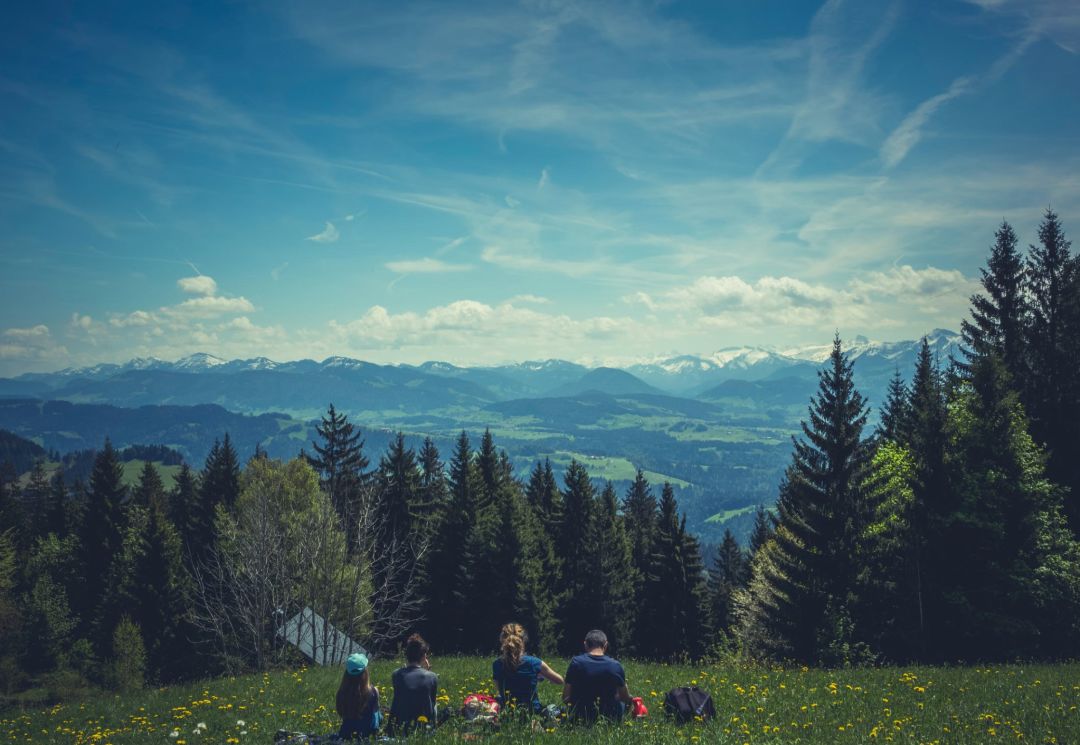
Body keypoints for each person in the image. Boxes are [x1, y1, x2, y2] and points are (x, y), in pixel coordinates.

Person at [491, 622, 565, 716]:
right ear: (523, 641)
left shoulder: (496, 664)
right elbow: (560, 680)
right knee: (556, 708)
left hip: (509, 712)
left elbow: (500, 690)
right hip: (533, 712)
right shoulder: (534, 663)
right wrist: (541, 675)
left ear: (502, 640)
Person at [562, 629, 634, 723]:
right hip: (609, 719)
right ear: (605, 645)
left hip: (580, 717)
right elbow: (625, 698)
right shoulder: (615, 665)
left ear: (585, 644)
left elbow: (566, 697)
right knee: (626, 700)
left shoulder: (576, 663)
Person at [388, 633, 438, 735]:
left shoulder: (396, 674)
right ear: (424, 656)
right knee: (435, 704)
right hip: (422, 728)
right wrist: (427, 670)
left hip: (399, 728)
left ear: (407, 655)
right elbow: (431, 702)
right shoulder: (432, 677)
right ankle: (433, 728)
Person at [336, 652, 382, 740]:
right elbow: (375, 718)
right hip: (366, 735)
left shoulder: (342, 692)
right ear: (365, 672)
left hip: (346, 734)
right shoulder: (373, 691)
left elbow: (340, 712)